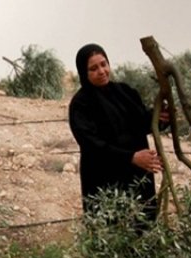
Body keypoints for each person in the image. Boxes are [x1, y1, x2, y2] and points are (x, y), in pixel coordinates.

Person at [68, 43, 168, 226]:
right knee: (112, 230)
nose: (102, 71)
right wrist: (130, 157)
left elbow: (140, 122)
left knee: (143, 227)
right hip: (104, 178)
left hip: (138, 176)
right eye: (93, 68)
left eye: (104, 64)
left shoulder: (125, 92)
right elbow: (91, 144)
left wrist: (159, 118)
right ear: (84, 72)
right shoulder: (81, 104)